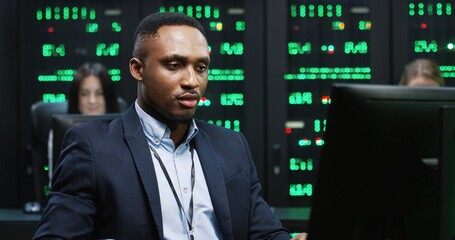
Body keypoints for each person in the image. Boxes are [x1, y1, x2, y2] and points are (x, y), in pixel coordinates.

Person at [33, 12, 308, 239]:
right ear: (138, 69)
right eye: (175, 65)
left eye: (201, 67)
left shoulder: (232, 145)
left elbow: (265, 233)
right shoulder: (92, 147)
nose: (192, 81)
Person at [47, 62, 121, 185]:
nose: (92, 101)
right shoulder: (61, 131)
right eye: (84, 94)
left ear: (108, 97)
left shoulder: (126, 130)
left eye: (99, 93)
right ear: (76, 98)